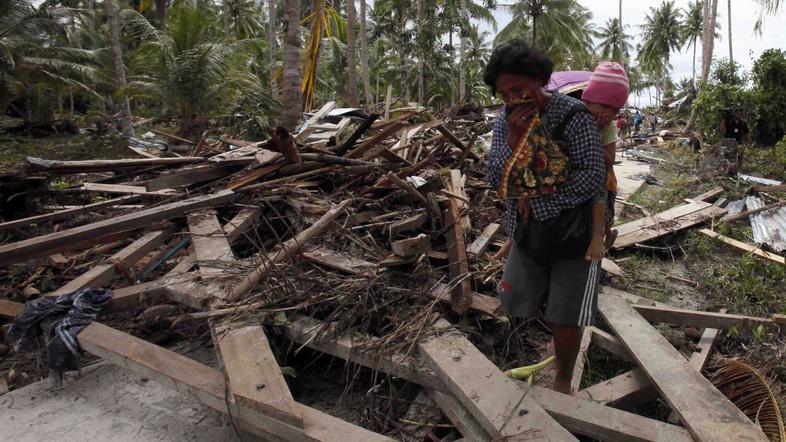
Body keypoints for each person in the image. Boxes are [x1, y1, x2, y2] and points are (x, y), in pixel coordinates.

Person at [484, 39, 606, 394]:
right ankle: (532, 352)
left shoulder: (573, 116)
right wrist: (514, 135)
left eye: (519, 89)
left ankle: (563, 381)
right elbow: (496, 176)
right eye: (504, 95)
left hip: (574, 234)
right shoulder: (503, 123)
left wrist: (539, 200)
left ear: (538, 80)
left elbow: (592, 174)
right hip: (527, 232)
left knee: (565, 316)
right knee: (514, 298)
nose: (513, 100)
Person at [581, 61, 630, 250]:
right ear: (587, 101)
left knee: (603, 215)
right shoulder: (577, 117)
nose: (609, 114)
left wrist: (593, 133)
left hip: (604, 181)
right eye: (604, 105)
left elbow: (609, 162)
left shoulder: (608, 127)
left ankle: (604, 236)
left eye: (615, 110)